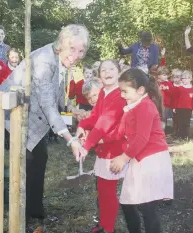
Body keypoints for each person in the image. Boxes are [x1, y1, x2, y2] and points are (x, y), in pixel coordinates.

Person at [0, 24, 90, 231]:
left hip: (30, 114)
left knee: (39, 158)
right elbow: (48, 105)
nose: (76, 55)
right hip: (11, 114)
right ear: (62, 43)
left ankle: (34, 211)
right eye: (72, 49)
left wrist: (72, 109)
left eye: (81, 50)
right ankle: (21, 216)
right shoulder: (44, 61)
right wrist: (71, 139)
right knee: (26, 164)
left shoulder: (62, 61)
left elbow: (56, 94)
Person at [109, 68, 174, 233]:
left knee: (147, 206)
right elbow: (118, 132)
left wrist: (123, 158)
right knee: (128, 202)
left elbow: (142, 139)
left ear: (140, 90)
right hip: (138, 159)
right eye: (120, 91)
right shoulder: (131, 106)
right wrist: (96, 138)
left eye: (125, 91)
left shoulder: (145, 106)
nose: (122, 95)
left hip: (151, 160)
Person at [76, 60, 126, 233]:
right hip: (104, 148)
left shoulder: (119, 94)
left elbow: (105, 122)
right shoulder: (104, 92)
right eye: (103, 69)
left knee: (109, 191)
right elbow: (96, 116)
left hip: (116, 149)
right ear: (99, 74)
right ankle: (104, 224)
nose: (107, 72)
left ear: (118, 72)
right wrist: (82, 126)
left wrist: (87, 145)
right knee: (103, 190)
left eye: (111, 68)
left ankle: (108, 228)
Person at [172, 71, 193, 140]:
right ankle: (180, 136)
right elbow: (176, 98)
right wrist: (174, 107)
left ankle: (186, 136)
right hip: (180, 108)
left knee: (186, 123)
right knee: (180, 122)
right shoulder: (179, 88)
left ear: (190, 79)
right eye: (183, 78)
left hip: (188, 109)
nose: (185, 80)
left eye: (187, 78)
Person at [156, 66, 173, 130]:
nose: (166, 76)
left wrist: (167, 89)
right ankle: (157, 130)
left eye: (166, 75)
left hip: (166, 104)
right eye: (164, 75)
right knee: (157, 117)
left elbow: (172, 92)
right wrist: (158, 89)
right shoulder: (156, 83)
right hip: (157, 103)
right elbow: (153, 91)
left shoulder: (168, 83)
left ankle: (163, 131)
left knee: (164, 117)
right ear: (158, 75)